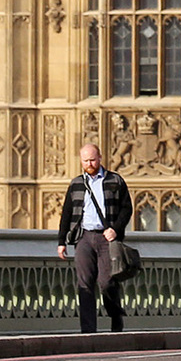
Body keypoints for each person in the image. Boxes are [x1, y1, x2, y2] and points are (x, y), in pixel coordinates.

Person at [55, 142, 133, 334]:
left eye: (92, 159)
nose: (89, 163)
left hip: (106, 238)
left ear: (99, 159)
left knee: (107, 282)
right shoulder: (76, 184)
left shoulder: (115, 181)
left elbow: (127, 209)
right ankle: (88, 330)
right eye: (85, 160)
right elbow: (66, 213)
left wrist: (115, 229)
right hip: (83, 237)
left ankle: (116, 316)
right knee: (85, 283)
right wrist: (61, 242)